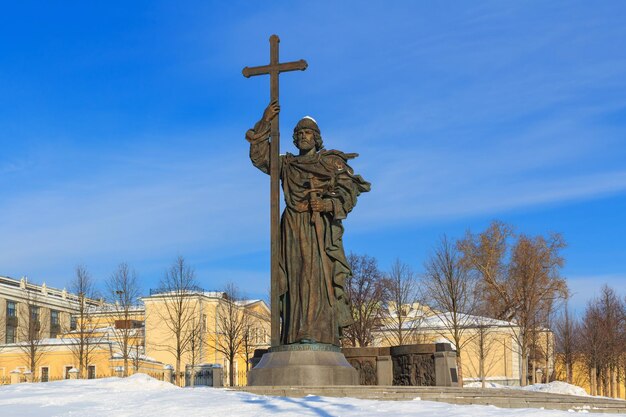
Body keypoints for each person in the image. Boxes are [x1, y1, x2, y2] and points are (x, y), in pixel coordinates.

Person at [246, 101, 371, 346]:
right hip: (292, 227)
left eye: (308, 133)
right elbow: (259, 156)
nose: (303, 137)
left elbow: (350, 192)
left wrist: (328, 205)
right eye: (299, 133)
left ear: (317, 138)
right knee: (295, 280)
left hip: (318, 228)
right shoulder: (287, 164)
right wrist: (265, 121)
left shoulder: (329, 163)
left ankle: (319, 333)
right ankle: (294, 333)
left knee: (315, 278)